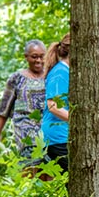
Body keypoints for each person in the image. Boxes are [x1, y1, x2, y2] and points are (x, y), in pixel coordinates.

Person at [0, 39, 47, 165]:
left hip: (47, 130)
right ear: (26, 57)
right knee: (30, 166)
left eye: (41, 57)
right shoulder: (17, 78)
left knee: (48, 170)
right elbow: (4, 108)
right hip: (25, 131)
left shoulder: (51, 75)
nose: (38, 61)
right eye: (34, 57)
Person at [41, 34, 71, 174]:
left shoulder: (66, 71)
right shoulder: (60, 73)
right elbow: (53, 106)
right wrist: (79, 121)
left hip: (63, 135)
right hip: (58, 137)